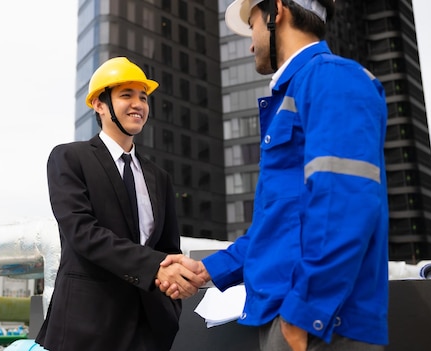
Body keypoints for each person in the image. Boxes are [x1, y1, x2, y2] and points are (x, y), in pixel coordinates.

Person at [159, 0, 389, 350]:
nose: (250, 43)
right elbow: (278, 225)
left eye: (251, 26)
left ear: (276, 11)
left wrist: (303, 315)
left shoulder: (332, 78)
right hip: (294, 315)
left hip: (322, 323)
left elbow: (344, 204)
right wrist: (207, 270)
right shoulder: (295, 93)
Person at [34, 56, 204, 351]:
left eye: (143, 97)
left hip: (148, 328)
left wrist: (174, 285)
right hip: (86, 326)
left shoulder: (158, 177)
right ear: (99, 104)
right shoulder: (70, 158)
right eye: (126, 95)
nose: (138, 104)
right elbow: (83, 233)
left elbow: (167, 248)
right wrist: (155, 268)